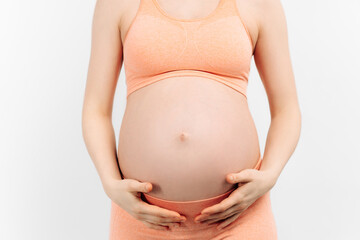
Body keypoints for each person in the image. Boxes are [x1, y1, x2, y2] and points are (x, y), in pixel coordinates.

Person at [82, 0, 301, 239]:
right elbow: (96, 109)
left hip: (239, 217)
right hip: (142, 216)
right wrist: (109, 182)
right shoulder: (116, 4)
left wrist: (270, 174)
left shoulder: (260, 4)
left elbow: (286, 110)